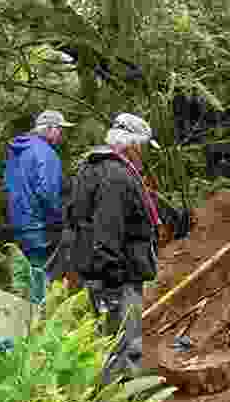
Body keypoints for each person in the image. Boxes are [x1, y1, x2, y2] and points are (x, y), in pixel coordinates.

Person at [64, 113, 161, 385]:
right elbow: (108, 233)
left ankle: (111, 399)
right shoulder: (116, 177)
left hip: (97, 272)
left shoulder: (90, 167)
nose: (143, 156)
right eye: (142, 148)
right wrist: (113, 287)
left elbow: (74, 217)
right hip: (116, 276)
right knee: (124, 344)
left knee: (107, 341)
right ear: (132, 146)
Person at [4, 110, 75, 304]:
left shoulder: (17, 152)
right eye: (60, 129)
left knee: (27, 279)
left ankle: (28, 324)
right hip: (41, 226)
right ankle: (42, 324)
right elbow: (47, 192)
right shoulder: (45, 153)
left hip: (19, 224)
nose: (62, 135)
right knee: (44, 280)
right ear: (50, 129)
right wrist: (62, 220)